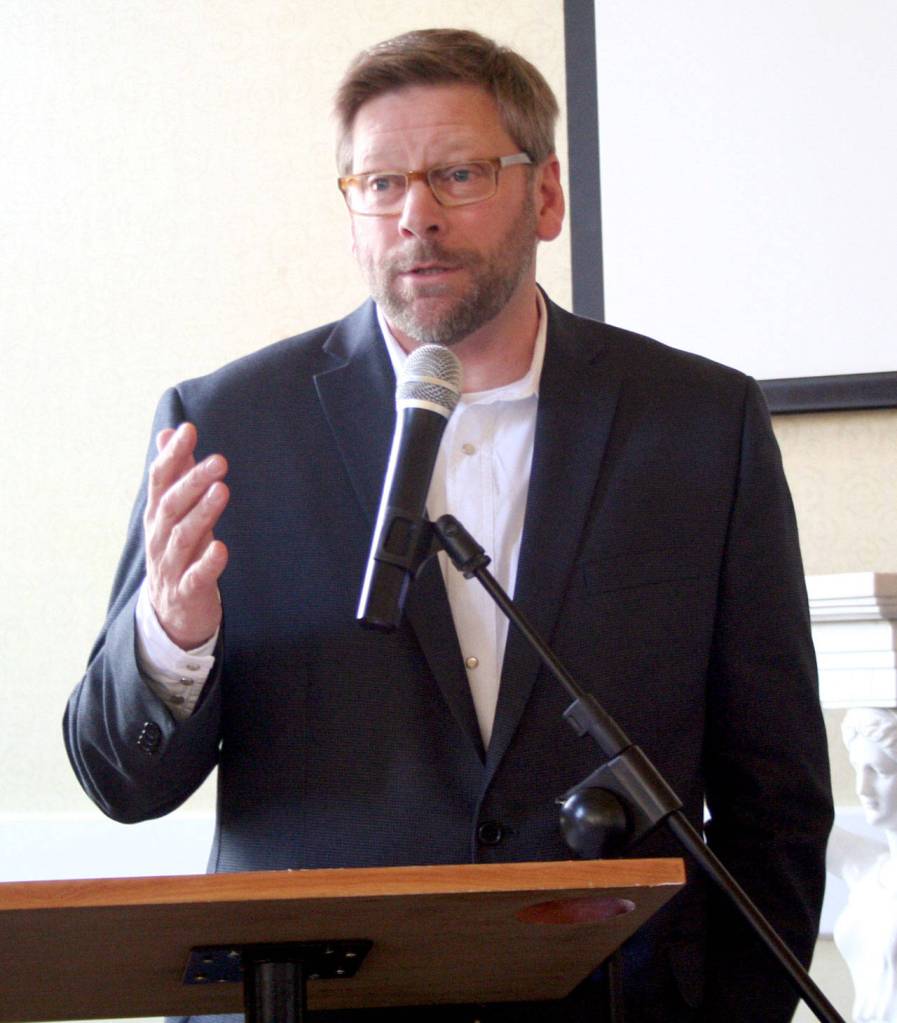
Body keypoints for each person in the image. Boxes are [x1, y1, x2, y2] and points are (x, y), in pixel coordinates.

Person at [64, 27, 833, 1023]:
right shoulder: (230, 427)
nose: (414, 215)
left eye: (458, 175)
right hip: (308, 1004)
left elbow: (777, 797)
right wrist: (171, 640)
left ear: (545, 195)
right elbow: (120, 782)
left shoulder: (698, 425)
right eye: (380, 183)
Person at [828, 708, 897, 1022]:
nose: (862, 788)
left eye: (879, 771)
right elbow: (795, 819)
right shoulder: (869, 868)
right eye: (858, 768)